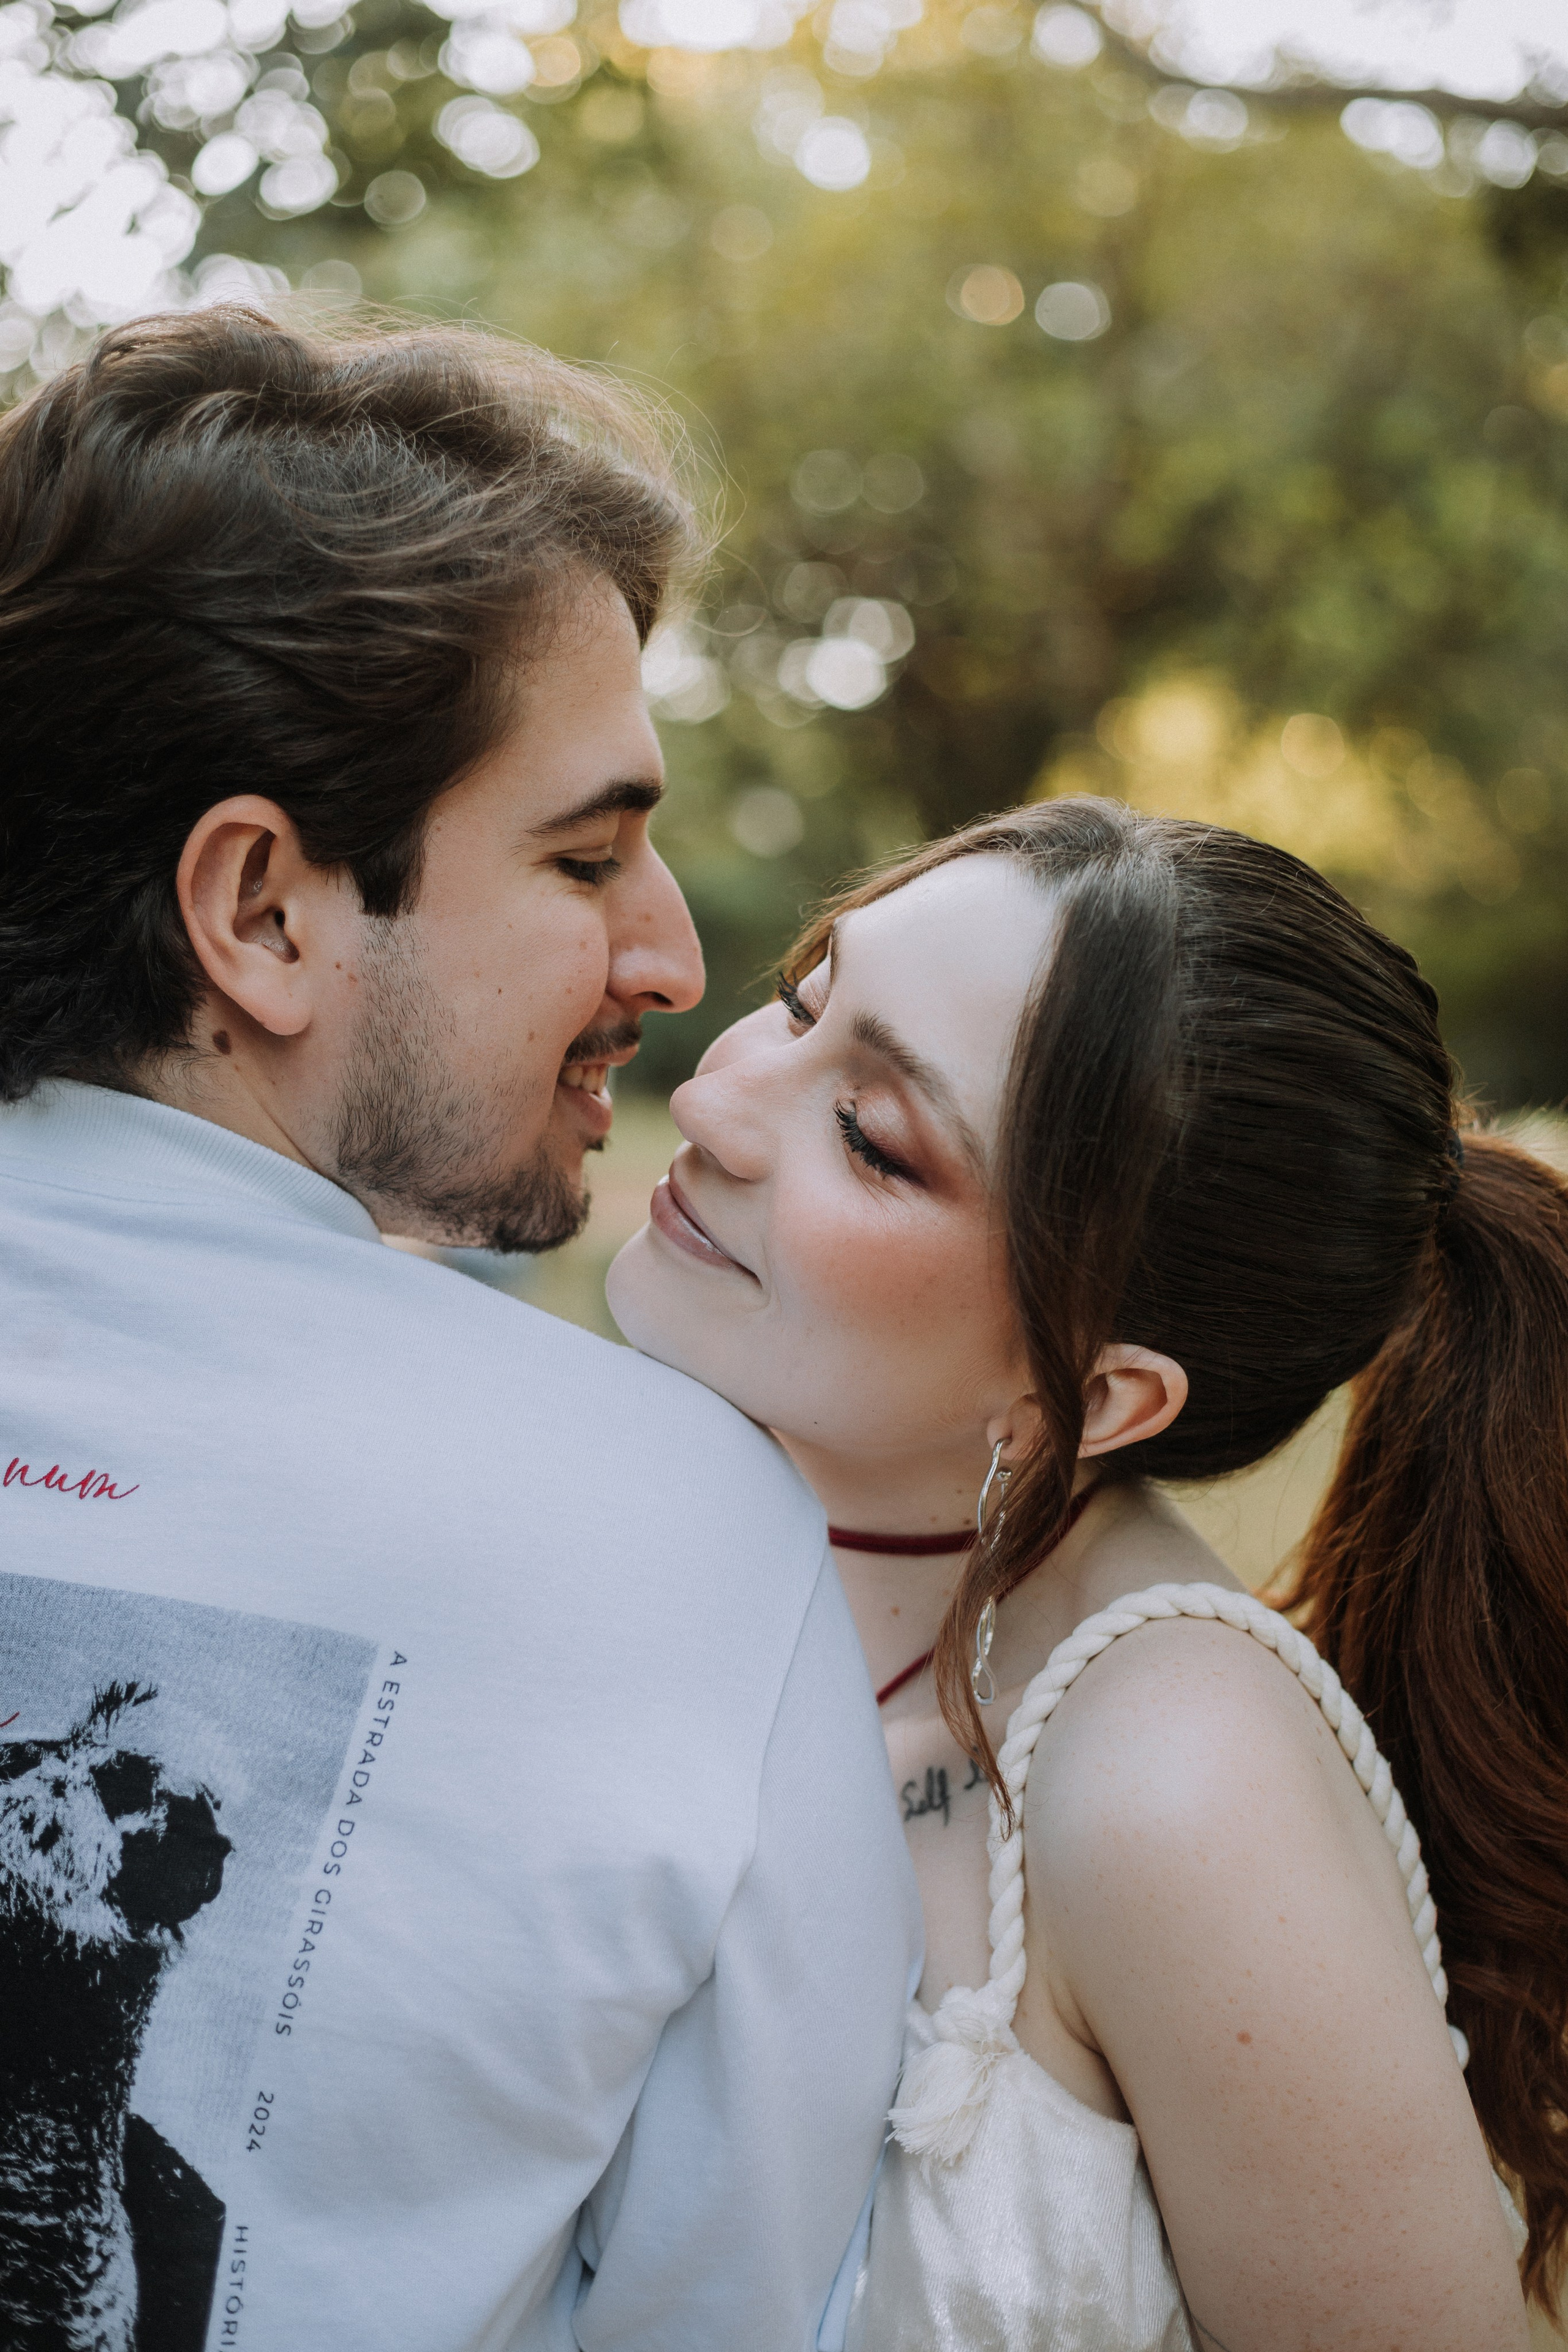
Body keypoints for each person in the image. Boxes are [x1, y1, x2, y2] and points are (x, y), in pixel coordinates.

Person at [0, 308, 920, 2352]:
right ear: (263, 910)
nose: (672, 953)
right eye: (587, 854)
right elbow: (737, 2310)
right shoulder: (675, 1537)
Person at [608, 796, 1568, 2351]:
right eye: (798, 1000)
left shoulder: (1172, 1782)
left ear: (1099, 1397)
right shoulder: (655, 1539)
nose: (715, 1097)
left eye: (872, 1137)